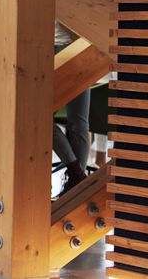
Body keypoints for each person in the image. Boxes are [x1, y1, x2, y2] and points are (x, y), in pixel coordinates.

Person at [52, 22, 90, 197]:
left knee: (36, 120)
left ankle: (76, 175)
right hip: (79, 47)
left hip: (64, 48)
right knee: (79, 122)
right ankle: (77, 177)